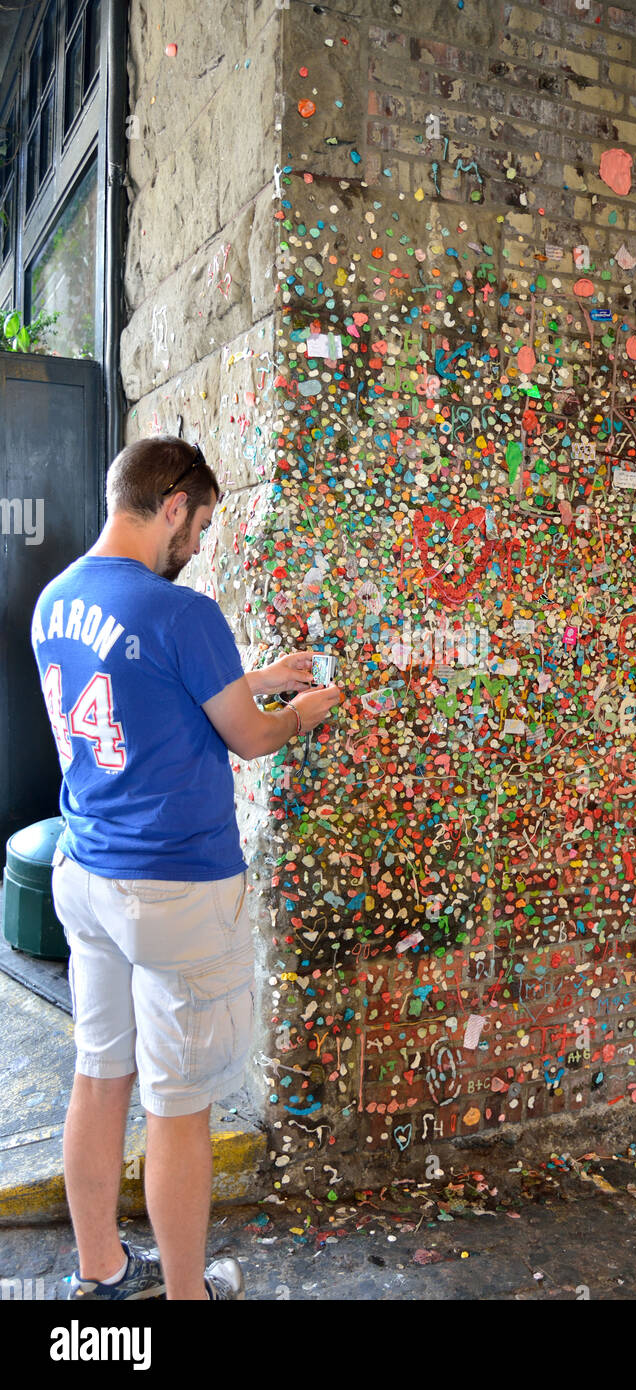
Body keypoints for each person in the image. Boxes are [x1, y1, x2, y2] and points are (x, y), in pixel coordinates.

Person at [30, 435, 341, 1300]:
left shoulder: (54, 600)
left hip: (87, 873)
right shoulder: (183, 612)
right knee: (178, 1103)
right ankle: (187, 1297)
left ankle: (99, 1271)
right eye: (199, 524)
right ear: (172, 504)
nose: (199, 544)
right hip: (175, 890)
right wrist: (300, 712)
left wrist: (256, 674)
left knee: (99, 1074)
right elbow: (246, 733)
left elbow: (146, 692)